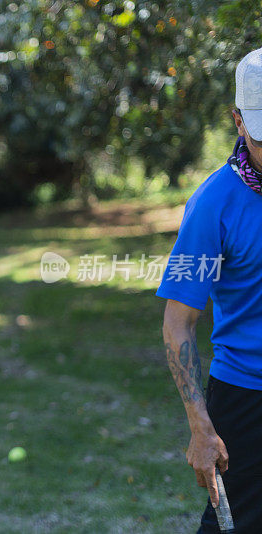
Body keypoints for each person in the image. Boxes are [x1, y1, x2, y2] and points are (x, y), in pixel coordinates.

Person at [158, 47, 262, 533]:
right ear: (238, 121)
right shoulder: (213, 205)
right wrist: (201, 426)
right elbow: (179, 321)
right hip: (247, 395)